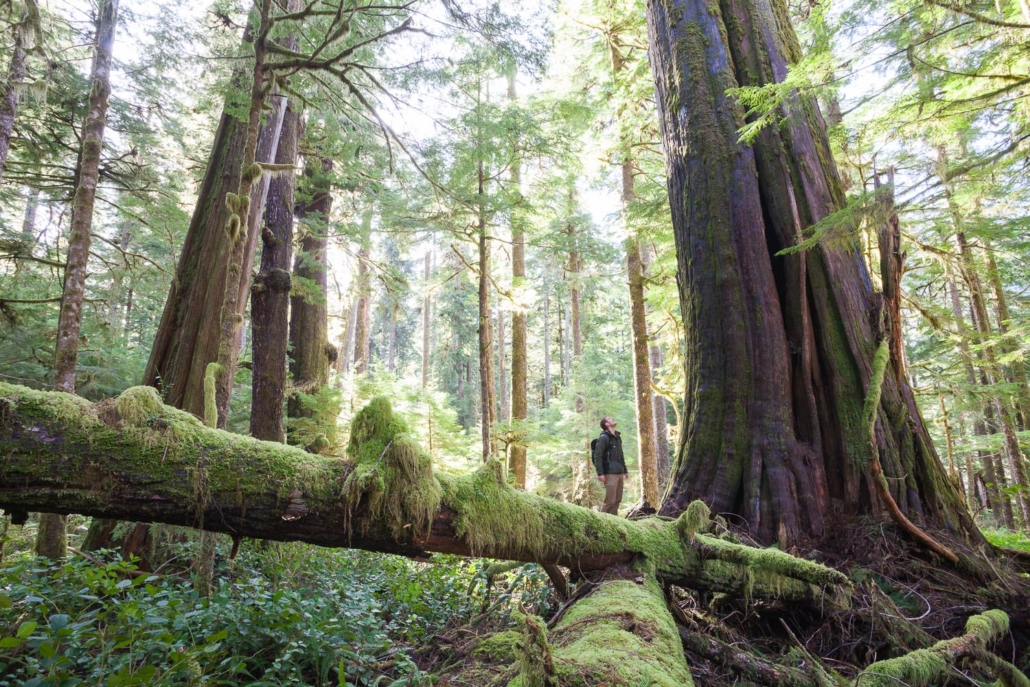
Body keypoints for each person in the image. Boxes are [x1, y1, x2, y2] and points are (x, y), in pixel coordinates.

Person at [593, 416, 627, 515]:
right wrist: (600, 473)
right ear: (606, 424)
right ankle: (601, 521)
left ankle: (614, 522)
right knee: (610, 500)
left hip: (619, 472)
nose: (612, 419)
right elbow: (597, 456)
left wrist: (624, 470)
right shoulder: (603, 438)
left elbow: (621, 455)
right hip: (609, 473)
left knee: (617, 499)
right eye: (610, 419)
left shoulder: (617, 437)